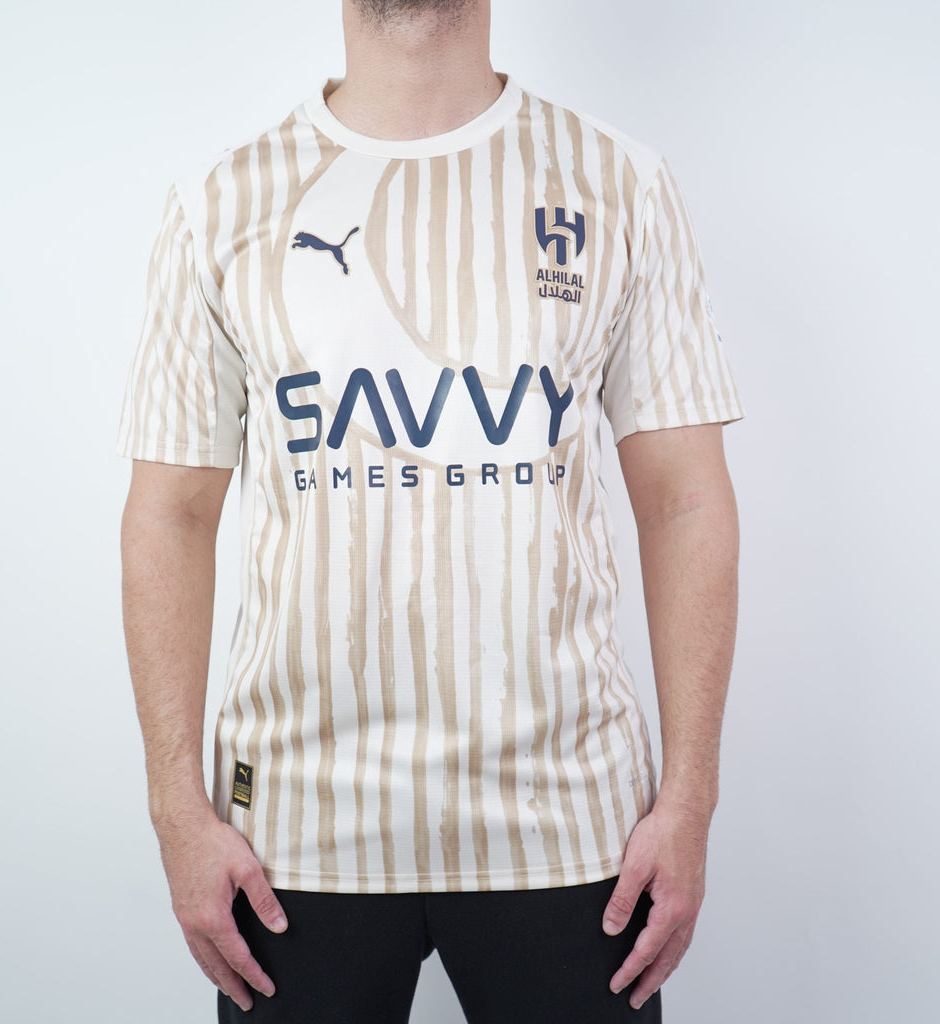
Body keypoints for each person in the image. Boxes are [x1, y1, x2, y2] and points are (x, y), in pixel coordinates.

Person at [116, 0, 744, 1020]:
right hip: (292, 836)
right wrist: (176, 811)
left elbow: (684, 501)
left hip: (570, 826)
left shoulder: (620, 184)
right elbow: (170, 516)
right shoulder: (218, 204)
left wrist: (690, 800)